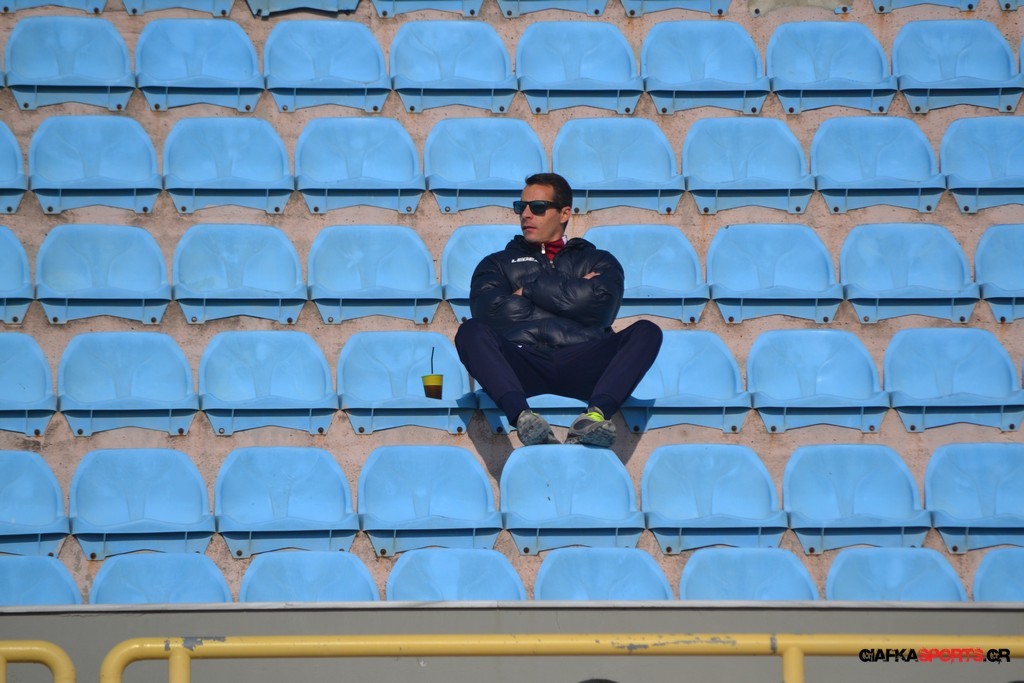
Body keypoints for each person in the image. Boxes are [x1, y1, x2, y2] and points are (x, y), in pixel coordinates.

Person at [454, 172, 663, 447]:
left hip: (584, 359)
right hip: (522, 361)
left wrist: (527, 290)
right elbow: (493, 314)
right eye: (521, 206)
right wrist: (574, 292)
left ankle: (594, 417)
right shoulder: (496, 263)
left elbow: (600, 307)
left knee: (647, 331)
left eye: (538, 207)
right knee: (470, 331)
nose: (526, 214)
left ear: (564, 213)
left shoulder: (598, 259)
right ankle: (524, 418)